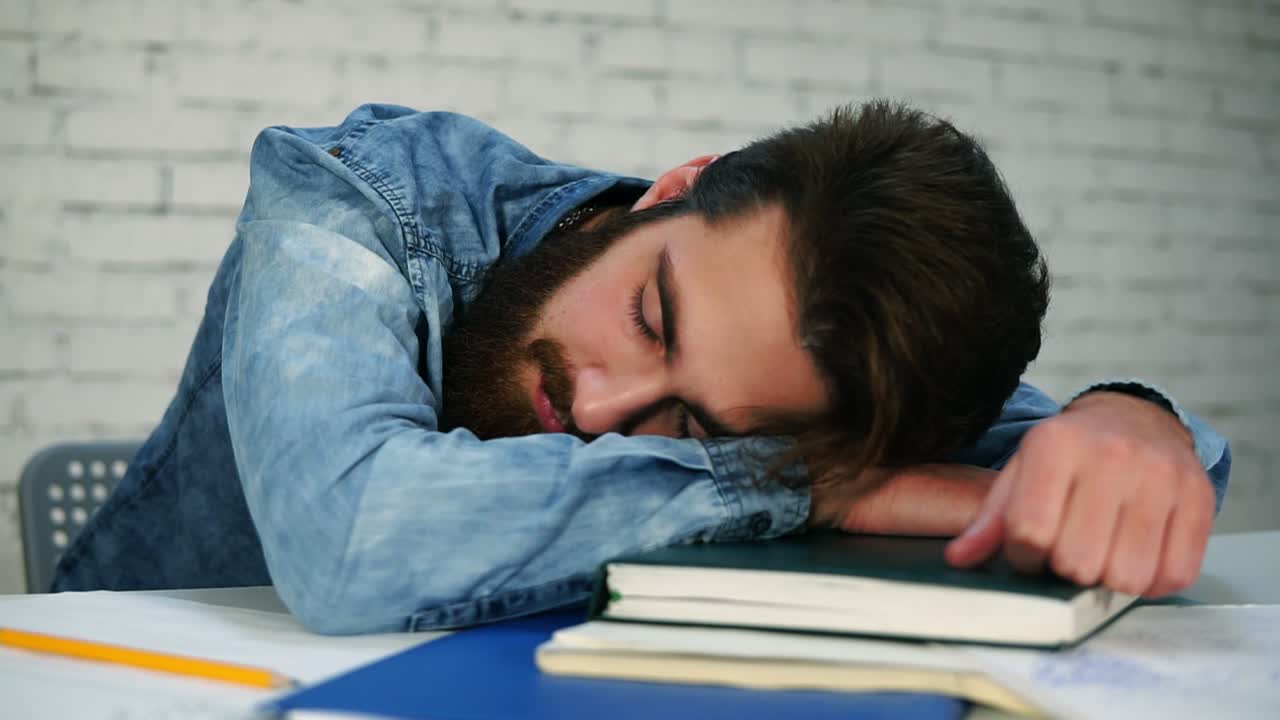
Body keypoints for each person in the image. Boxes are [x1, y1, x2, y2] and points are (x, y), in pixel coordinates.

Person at [52, 101, 1230, 635]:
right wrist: (789, 482)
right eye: (652, 317)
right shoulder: (357, 191)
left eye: (701, 427)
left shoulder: (786, 352)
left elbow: (1083, 474)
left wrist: (1131, 424)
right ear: (671, 189)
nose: (605, 411)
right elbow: (352, 538)